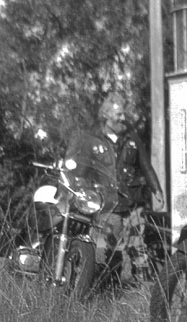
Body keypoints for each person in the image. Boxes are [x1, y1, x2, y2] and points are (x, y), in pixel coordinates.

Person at [65, 92, 165, 287]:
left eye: (123, 114)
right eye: (118, 114)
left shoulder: (132, 138)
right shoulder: (92, 141)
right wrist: (75, 190)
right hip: (107, 205)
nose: (122, 118)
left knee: (138, 248)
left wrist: (157, 190)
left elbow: (146, 166)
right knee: (109, 248)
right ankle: (107, 285)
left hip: (133, 202)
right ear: (106, 115)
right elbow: (81, 171)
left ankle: (140, 286)